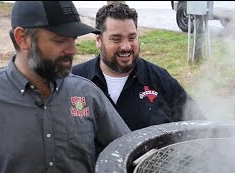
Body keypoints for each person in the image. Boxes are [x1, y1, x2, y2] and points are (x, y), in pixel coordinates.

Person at [0, 1, 131, 173]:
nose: (72, 50)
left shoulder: (87, 94)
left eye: (74, 40)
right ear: (22, 38)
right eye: (60, 40)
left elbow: (130, 153)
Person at [72, 2, 207, 131]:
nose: (126, 46)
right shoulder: (74, 81)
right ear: (98, 40)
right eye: (116, 39)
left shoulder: (161, 80)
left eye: (132, 37)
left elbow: (199, 128)